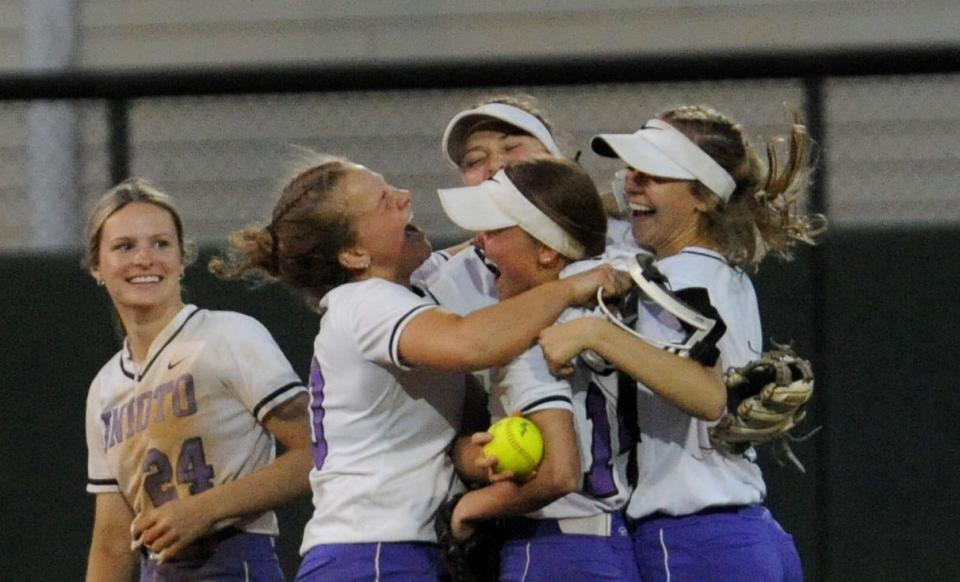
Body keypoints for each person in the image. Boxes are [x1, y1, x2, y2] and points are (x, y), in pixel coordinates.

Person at [210, 154, 627, 581]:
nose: (405, 197)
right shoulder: (366, 301)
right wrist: (573, 286)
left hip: (390, 552)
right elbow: (472, 343)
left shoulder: (405, 301)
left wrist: (471, 457)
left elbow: (445, 430)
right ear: (354, 254)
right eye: (384, 200)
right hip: (373, 555)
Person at [538, 105, 825, 581]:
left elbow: (708, 395)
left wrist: (595, 333)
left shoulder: (675, 276)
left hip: (694, 541)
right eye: (632, 169)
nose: (632, 182)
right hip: (748, 532)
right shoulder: (719, 272)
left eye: (653, 174)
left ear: (705, 197)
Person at [83, 179, 313, 581]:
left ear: (182, 258)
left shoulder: (228, 336)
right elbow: (112, 539)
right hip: (157, 570)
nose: (145, 258)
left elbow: (315, 450)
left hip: (233, 561)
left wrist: (205, 509)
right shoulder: (105, 389)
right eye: (124, 246)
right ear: (97, 268)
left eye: (161, 244)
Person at [439, 156, 641, 581]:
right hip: (614, 545)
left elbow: (558, 472)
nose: (479, 242)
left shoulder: (533, 334)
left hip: (554, 549)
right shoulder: (607, 306)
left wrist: (468, 510)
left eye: (495, 232)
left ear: (548, 249)